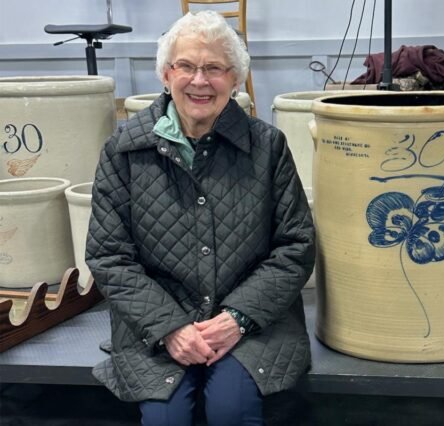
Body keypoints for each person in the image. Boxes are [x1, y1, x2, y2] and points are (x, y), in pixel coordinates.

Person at [86, 10, 315, 426]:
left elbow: (295, 246)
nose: (199, 80)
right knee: (165, 417)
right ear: (166, 74)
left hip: (250, 321)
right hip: (155, 320)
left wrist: (238, 318)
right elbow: (109, 256)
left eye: (214, 68)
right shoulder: (124, 150)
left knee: (232, 408)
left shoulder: (268, 147)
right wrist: (170, 327)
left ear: (235, 78)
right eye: (186, 66)